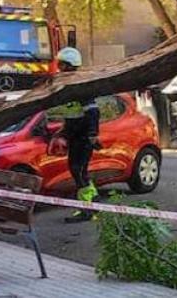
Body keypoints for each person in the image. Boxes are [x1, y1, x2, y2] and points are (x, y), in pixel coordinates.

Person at [47, 47, 100, 224]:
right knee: (80, 170)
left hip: (83, 137)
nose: (58, 67)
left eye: (60, 64)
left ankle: (87, 209)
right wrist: (63, 131)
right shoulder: (68, 85)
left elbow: (92, 112)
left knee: (77, 170)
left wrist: (92, 134)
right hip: (77, 136)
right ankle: (92, 202)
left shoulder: (79, 86)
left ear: (68, 65)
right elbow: (71, 116)